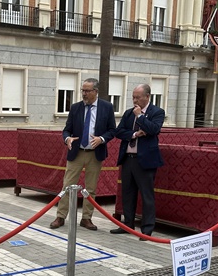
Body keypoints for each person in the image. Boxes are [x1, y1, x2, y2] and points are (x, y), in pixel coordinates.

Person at [49, 78, 116, 231]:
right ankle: (60, 216)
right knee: (67, 186)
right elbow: (66, 129)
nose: (84, 94)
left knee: (91, 188)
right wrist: (67, 139)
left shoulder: (107, 107)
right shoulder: (75, 108)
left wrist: (102, 139)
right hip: (77, 152)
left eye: (87, 91)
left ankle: (86, 218)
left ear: (95, 91)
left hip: (95, 153)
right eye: (82, 91)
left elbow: (112, 130)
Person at [110, 84, 165, 239]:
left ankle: (147, 230)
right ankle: (128, 225)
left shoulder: (157, 112)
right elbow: (119, 131)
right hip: (128, 159)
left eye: (137, 97)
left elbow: (154, 129)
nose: (134, 100)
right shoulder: (128, 113)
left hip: (145, 161)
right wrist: (134, 134)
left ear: (147, 96)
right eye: (133, 97)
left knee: (147, 195)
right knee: (127, 194)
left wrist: (140, 116)